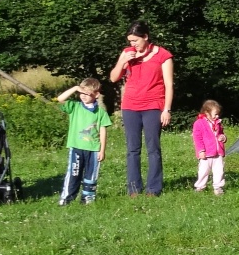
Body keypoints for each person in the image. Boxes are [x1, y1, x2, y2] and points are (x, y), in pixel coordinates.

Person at [108, 22, 173, 197]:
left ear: (145, 37)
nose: (132, 44)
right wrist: (122, 61)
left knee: (153, 148)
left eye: (135, 40)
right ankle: (133, 189)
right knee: (132, 149)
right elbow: (113, 78)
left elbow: (168, 84)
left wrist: (166, 109)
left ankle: (153, 188)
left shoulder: (163, 55)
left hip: (153, 106)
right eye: (130, 41)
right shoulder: (127, 53)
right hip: (130, 106)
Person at [56, 79, 111, 205]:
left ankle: (87, 198)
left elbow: (103, 131)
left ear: (96, 94)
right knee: (74, 174)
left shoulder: (100, 112)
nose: (84, 96)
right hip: (76, 147)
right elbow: (60, 98)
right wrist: (75, 88)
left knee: (91, 175)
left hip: (93, 149)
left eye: (87, 94)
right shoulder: (74, 107)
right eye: (82, 93)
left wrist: (102, 150)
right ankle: (67, 199)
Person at [193, 100, 227, 195]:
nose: (217, 116)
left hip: (218, 152)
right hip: (206, 153)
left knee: (219, 170)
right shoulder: (199, 123)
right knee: (203, 171)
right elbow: (197, 138)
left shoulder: (218, 123)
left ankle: (218, 187)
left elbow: (221, 133)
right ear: (207, 113)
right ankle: (200, 187)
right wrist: (201, 150)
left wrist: (223, 137)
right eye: (215, 114)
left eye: (218, 114)